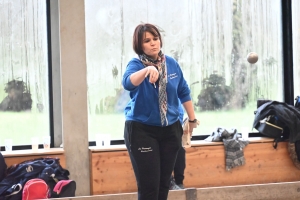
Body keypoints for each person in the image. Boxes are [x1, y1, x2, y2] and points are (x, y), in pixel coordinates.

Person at [122, 23, 198, 200]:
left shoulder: (171, 63)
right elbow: (127, 82)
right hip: (142, 130)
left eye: (155, 39)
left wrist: (192, 120)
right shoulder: (136, 64)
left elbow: (183, 91)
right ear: (140, 45)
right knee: (149, 188)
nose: (153, 43)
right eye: (147, 41)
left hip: (171, 129)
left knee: (164, 185)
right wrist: (147, 69)